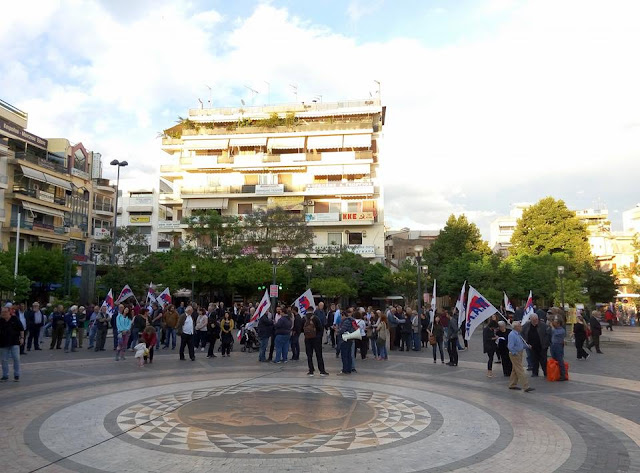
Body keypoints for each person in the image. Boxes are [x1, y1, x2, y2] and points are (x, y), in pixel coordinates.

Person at [507, 321, 534, 392]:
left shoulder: (518, 334)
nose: (521, 327)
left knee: (515, 369)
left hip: (519, 352)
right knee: (520, 370)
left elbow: (520, 345)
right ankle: (526, 386)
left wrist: (527, 346)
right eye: (520, 326)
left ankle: (512, 384)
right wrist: (515, 353)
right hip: (515, 354)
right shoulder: (512, 335)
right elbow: (510, 346)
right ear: (516, 327)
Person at [0, 307, 23, 381]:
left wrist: (22, 338)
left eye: (5, 312)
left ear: (9, 312)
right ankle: (5, 375)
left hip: (14, 342)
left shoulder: (15, 319)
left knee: (16, 358)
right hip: (3, 343)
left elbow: (21, 329)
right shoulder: (0, 320)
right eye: (2, 312)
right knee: (4, 360)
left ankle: (17, 375)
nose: (3, 313)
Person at [303, 306, 328, 376]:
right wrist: (318, 337)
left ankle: (311, 370)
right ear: (313, 310)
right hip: (316, 339)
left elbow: (301, 328)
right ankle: (322, 371)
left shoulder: (304, 318)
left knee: (309, 355)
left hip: (307, 339)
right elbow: (320, 328)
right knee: (319, 355)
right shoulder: (316, 318)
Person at [337, 309, 355, 374]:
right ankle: (349, 369)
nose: (341, 318)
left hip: (345, 339)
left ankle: (345, 369)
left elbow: (343, 330)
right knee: (348, 355)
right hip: (350, 339)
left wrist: (338, 331)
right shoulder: (351, 320)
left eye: (341, 316)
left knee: (344, 355)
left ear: (344, 315)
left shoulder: (346, 321)